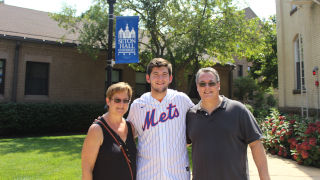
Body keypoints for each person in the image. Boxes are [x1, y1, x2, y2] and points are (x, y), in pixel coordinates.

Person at [186, 67, 270, 180]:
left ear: (218, 85)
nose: (207, 87)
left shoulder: (238, 110)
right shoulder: (191, 115)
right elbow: (181, 146)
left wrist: (265, 177)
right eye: (202, 84)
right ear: (197, 87)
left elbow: (256, 145)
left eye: (211, 83)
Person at [127, 58, 194, 180]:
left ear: (170, 78)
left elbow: (198, 125)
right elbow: (126, 134)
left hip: (178, 174)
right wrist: (104, 123)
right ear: (148, 78)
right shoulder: (138, 105)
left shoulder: (182, 100)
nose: (160, 79)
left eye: (164, 74)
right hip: (147, 174)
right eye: (155, 74)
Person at [81, 82, 137, 180]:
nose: (121, 104)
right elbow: (87, 169)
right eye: (117, 100)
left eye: (125, 100)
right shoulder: (97, 130)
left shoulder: (130, 127)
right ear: (108, 101)